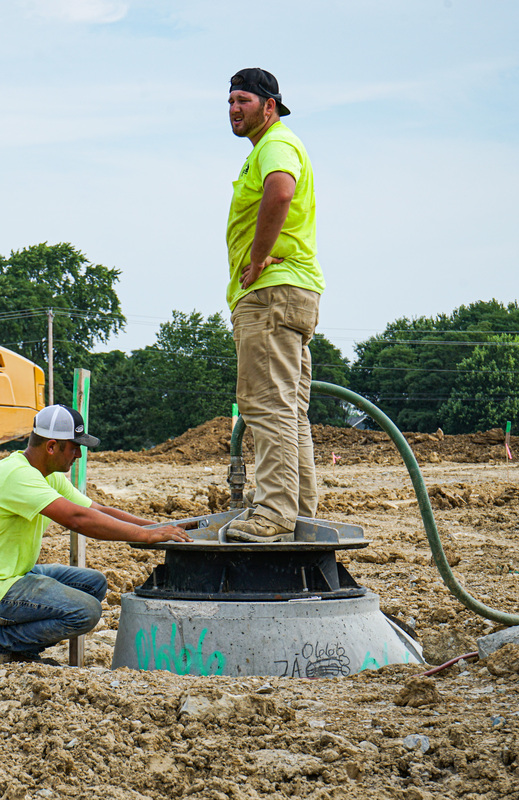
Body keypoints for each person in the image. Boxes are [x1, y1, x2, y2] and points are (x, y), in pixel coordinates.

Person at [0, 404, 191, 665]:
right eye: (74, 446)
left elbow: (97, 509)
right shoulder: (17, 476)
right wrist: (146, 537)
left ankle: (15, 647)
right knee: (85, 612)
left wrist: (156, 528)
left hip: (14, 575)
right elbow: (77, 519)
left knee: (93, 584)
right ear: (52, 446)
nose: (78, 454)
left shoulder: (44, 474)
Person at [225, 67, 324, 542]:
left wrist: (259, 255)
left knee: (265, 406)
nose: (234, 109)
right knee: (288, 410)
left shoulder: (275, 146)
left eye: (243, 100)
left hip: (271, 295)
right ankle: (299, 510)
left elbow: (280, 190)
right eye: (230, 101)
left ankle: (275, 513)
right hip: (294, 292)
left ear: (270, 106)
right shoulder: (272, 147)